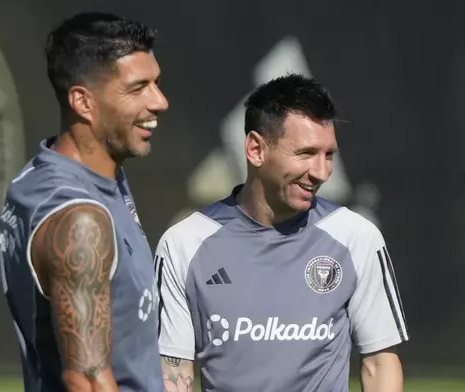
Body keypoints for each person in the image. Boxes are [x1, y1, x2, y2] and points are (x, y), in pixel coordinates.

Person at [156, 74, 408, 392]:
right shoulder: (185, 243)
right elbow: (172, 372)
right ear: (255, 149)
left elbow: (379, 364)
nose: (320, 172)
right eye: (305, 153)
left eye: (328, 155)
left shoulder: (356, 237)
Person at [0, 11, 168, 392]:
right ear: (82, 101)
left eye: (157, 83)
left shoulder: (46, 177)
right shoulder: (79, 221)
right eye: (138, 87)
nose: (160, 101)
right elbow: (88, 381)